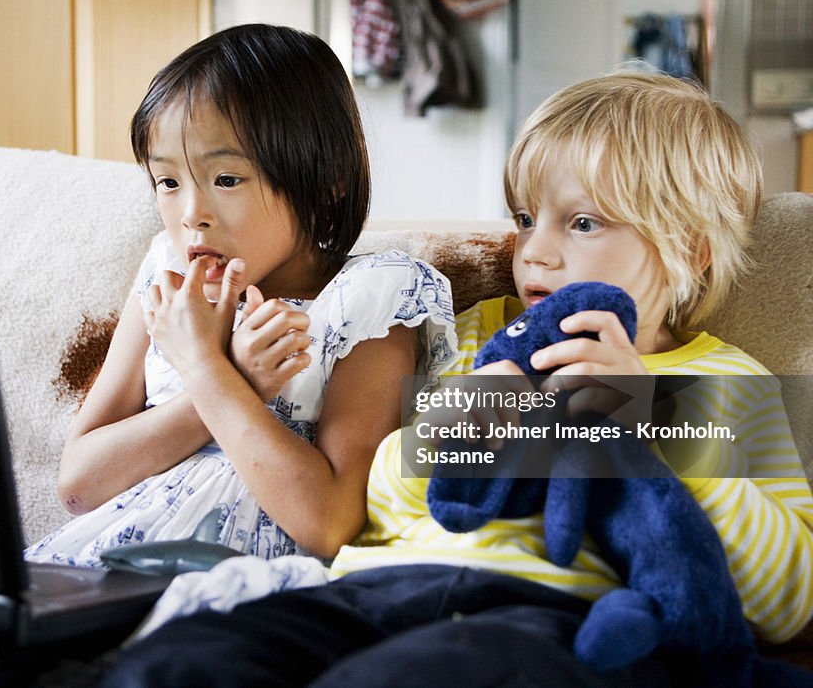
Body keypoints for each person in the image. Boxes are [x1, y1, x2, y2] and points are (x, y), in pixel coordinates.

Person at [97, 73, 813, 687]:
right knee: (179, 663)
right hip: (379, 589)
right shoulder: (478, 332)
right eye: (527, 218)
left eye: (584, 223)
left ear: (688, 246)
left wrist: (647, 423)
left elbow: (785, 597)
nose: (535, 251)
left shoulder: (718, 379)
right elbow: (378, 508)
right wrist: (459, 427)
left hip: (563, 618)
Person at [25, 24, 456, 567]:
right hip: (109, 565)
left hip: (245, 582)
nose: (191, 215)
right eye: (167, 182)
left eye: (226, 180)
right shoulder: (167, 282)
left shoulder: (370, 299)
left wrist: (207, 370)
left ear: (329, 179)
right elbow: (80, 487)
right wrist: (236, 381)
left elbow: (329, 524)